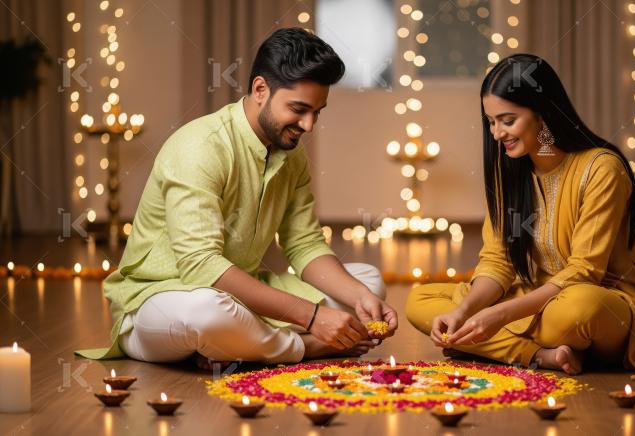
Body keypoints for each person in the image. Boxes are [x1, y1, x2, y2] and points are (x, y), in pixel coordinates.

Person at [77, 27, 398, 366]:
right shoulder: (200, 147)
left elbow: (304, 245)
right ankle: (304, 347)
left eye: (317, 112)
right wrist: (313, 318)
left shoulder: (292, 153)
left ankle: (239, 347)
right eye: (299, 109)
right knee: (208, 313)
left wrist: (359, 296)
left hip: (238, 297)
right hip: (160, 300)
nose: (309, 125)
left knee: (367, 283)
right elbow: (200, 266)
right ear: (261, 89)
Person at [406, 54, 635, 375]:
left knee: (577, 310)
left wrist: (500, 316)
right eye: (491, 122)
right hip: (538, 298)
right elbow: (498, 262)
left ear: (543, 114)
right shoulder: (509, 172)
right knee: (420, 301)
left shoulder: (602, 168)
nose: (496, 133)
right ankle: (541, 355)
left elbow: (584, 272)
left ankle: (499, 345)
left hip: (604, 303)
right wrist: (464, 312)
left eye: (507, 120)